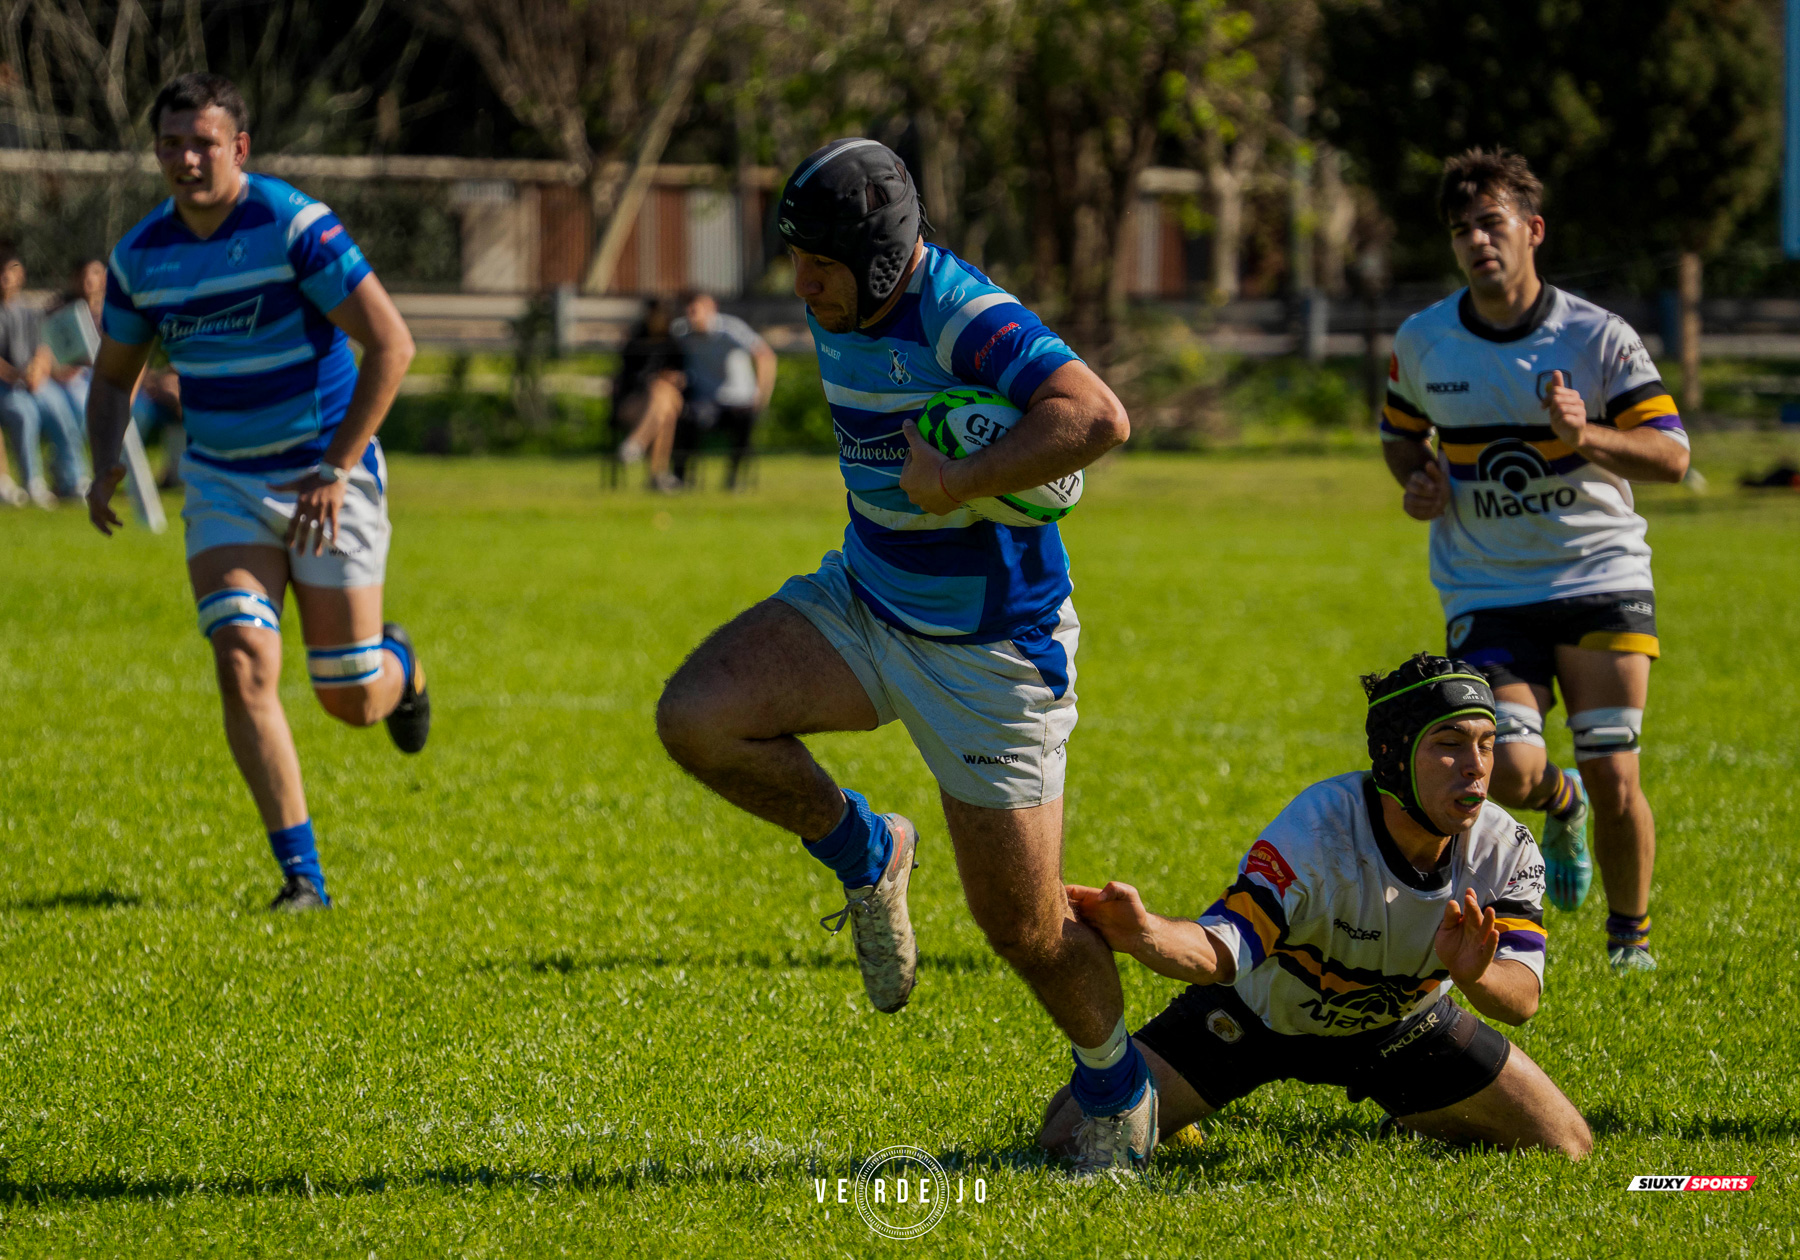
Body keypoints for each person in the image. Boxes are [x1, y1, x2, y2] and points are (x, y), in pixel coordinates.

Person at [656, 139, 1145, 1173]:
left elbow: (1098, 415)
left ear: (883, 261)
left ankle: (1118, 1082)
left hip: (990, 650)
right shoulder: (846, 307)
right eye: (795, 260)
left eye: (821, 265)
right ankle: (866, 852)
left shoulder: (964, 315)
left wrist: (960, 484)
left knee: (1023, 927)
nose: (802, 285)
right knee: (698, 716)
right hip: (867, 603)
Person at [84, 72, 430, 911]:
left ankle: (404, 670)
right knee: (242, 661)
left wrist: (339, 467)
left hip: (325, 474)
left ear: (237, 148)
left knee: (347, 698)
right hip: (225, 483)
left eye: (202, 142)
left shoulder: (293, 225)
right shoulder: (141, 255)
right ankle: (302, 877)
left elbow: (391, 344)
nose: (185, 158)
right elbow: (112, 377)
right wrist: (104, 462)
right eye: (170, 143)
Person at [1039, 654, 1591, 1161]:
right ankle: (1177, 1108)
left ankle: (1417, 1114)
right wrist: (1146, 933)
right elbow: (1224, 948)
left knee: (1566, 1145)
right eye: (1449, 742)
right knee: (1067, 1138)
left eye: (1487, 743)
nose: (1475, 765)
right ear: (1393, 755)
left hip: (1401, 1029)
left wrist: (1476, 976)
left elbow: (1520, 999)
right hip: (1254, 1019)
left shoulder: (1505, 846)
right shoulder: (1320, 830)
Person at [1380, 149, 1689, 973]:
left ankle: (1632, 943)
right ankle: (1562, 801)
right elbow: (1399, 435)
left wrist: (1584, 436)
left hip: (1600, 576)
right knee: (1510, 773)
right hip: (1486, 582)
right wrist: (1417, 480)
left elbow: (1671, 454)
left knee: (1616, 770)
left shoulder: (1597, 336)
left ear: (1532, 230)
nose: (1477, 240)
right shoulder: (1426, 341)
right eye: (1461, 230)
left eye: (1492, 223)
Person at [0, 243, 89, 506]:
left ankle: (73, 479)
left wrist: (37, 372)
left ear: (21, 275)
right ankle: (33, 482)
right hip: (6, 386)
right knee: (23, 414)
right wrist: (14, 375)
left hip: (35, 383)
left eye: (11, 271)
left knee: (61, 410)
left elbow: (43, 348)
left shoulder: (30, 311)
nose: (6, 277)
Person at [669, 290, 775, 489]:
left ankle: (734, 479)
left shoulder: (730, 329)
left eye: (695, 309)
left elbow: (764, 355)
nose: (691, 314)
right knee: (685, 418)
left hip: (738, 401)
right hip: (705, 402)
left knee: (745, 421)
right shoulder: (682, 332)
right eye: (688, 310)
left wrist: (761, 394)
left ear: (711, 309)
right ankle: (680, 478)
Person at [612, 297, 686, 492]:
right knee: (664, 413)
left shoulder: (674, 345)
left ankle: (636, 443)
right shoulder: (635, 344)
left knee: (663, 392)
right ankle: (658, 477)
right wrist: (654, 379)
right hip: (637, 403)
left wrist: (673, 379)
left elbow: (684, 378)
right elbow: (627, 379)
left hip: (669, 398)